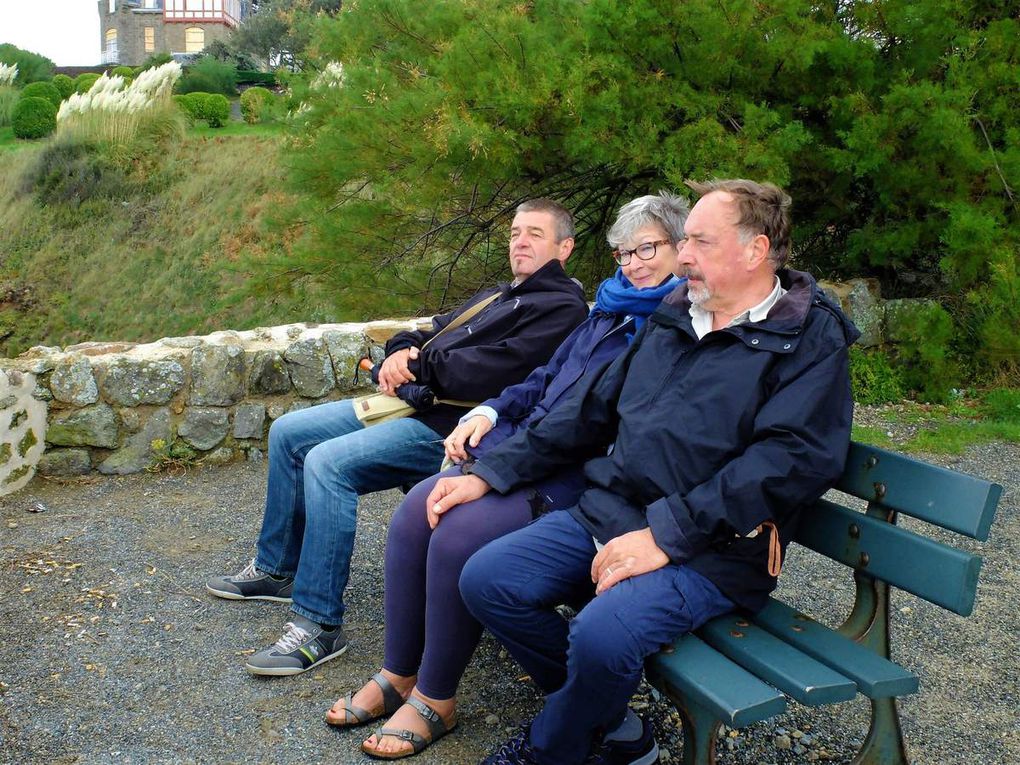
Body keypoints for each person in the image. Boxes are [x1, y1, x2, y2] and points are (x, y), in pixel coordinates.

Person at [439, 179, 859, 765]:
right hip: (615, 510)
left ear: (756, 250)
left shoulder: (808, 337)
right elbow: (591, 410)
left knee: (602, 635)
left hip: (717, 547)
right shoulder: (676, 311)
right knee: (487, 579)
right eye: (684, 240)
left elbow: (788, 462)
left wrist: (667, 535)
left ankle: (551, 748)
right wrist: (490, 471)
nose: (683, 256)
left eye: (700, 243)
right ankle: (614, 727)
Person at [321, 192, 691, 761]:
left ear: (681, 248)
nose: (635, 264)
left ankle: (435, 697)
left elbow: (585, 423)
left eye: (648, 249)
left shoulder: (666, 327)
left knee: (458, 533)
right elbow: (546, 378)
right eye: (623, 253)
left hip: (573, 471)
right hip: (527, 448)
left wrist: (494, 468)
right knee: (416, 512)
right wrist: (491, 411)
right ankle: (399, 672)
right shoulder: (609, 311)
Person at [205, 199, 590, 676]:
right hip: (409, 402)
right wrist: (402, 349)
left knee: (328, 464)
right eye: (514, 233)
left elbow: (493, 372)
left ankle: (318, 624)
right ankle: (277, 568)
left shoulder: (562, 309)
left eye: (534, 233)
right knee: (287, 431)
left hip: (450, 429)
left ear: (564, 247)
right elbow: (429, 329)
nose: (520, 242)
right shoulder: (500, 293)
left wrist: (416, 363)